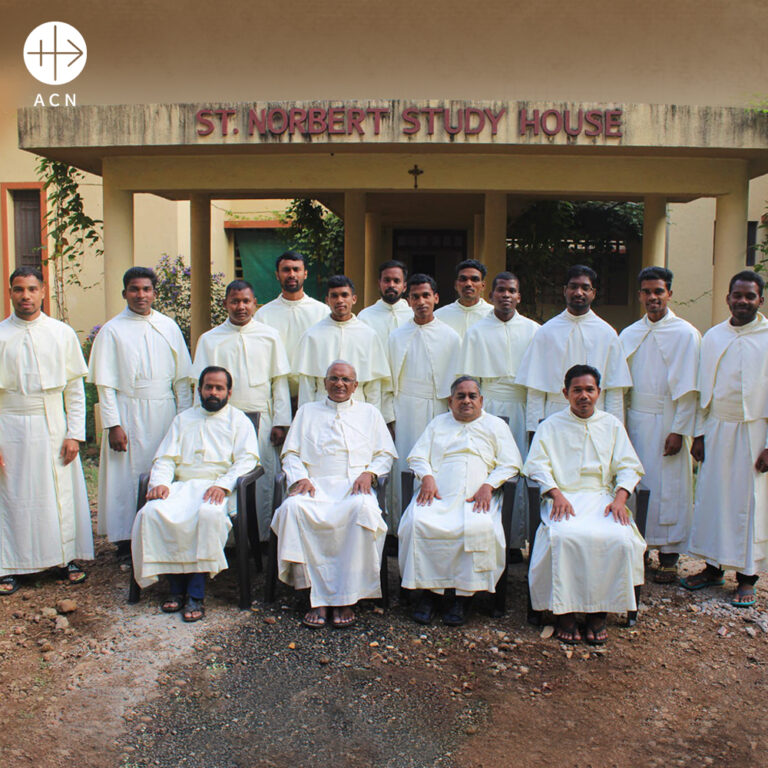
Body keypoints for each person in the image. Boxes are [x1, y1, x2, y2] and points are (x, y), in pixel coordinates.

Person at [525, 365, 645, 644]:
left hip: (602, 498)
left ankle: (598, 613)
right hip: (563, 498)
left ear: (599, 393)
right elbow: (536, 465)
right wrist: (555, 493)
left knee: (618, 537)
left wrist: (620, 498)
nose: (583, 396)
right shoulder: (550, 426)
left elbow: (629, 466)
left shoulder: (612, 425)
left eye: (589, 390)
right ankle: (564, 614)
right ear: (565, 393)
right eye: (577, 390)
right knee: (564, 537)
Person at [271, 361, 396, 628]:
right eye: (334, 379)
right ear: (325, 382)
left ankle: (346, 598)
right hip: (314, 485)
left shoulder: (370, 413)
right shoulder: (307, 412)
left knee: (364, 511)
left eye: (346, 380)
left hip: (354, 486)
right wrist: (300, 477)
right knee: (293, 509)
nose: (340, 384)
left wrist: (370, 473)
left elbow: (385, 453)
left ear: (356, 385)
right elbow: (291, 453)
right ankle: (315, 597)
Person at [131, 366, 260, 622]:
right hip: (181, 487)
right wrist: (160, 482)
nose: (213, 392)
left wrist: (224, 484)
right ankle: (176, 587)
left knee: (207, 515)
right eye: (208, 387)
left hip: (218, 487)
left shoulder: (238, 421)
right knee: (153, 512)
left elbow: (247, 461)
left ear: (229, 392)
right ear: (199, 389)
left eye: (219, 388)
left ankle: (195, 593)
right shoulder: (183, 419)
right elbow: (166, 457)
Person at [398, 376, 522, 626]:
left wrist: (489, 485)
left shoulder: (496, 426)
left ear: (481, 400)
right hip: (438, 492)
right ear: (450, 401)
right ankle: (430, 594)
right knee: (417, 523)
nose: (466, 401)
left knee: (478, 528)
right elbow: (418, 457)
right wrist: (428, 478)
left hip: (477, 495)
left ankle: (463, 597)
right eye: (460, 396)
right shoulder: (437, 424)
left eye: (472, 396)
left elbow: (511, 463)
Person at [88, 266, 192, 560]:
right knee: (126, 477)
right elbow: (106, 386)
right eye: (134, 289)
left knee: (164, 469)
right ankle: (126, 541)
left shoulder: (168, 326)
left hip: (164, 411)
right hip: (128, 410)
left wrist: (182, 421)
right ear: (125, 293)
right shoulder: (112, 330)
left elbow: (182, 381)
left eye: (146, 289)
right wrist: (113, 425)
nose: (141, 295)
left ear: (154, 293)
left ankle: (161, 534)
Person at [0, 267, 93, 595]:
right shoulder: (0, 336)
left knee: (58, 494)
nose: (25, 296)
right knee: (13, 496)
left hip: (53, 424)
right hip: (9, 427)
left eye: (31, 289)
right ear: (10, 292)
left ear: (43, 292)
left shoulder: (61, 333)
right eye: (18, 289)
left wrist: (74, 434)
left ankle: (64, 558)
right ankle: (8, 565)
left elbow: (74, 390)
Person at [682, 270, 768, 608]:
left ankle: (747, 578)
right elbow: (705, 389)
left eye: (750, 296)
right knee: (713, 499)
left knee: (750, 505)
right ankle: (712, 568)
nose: (743, 301)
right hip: (717, 428)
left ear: (760, 299)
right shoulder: (714, 337)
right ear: (727, 298)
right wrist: (700, 434)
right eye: (738, 295)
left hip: (754, 430)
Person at [619, 267, 700, 583]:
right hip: (636, 421)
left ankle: (668, 556)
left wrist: (679, 430)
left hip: (669, 422)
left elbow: (689, 389)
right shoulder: (629, 334)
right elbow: (621, 387)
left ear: (669, 293)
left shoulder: (685, 334)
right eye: (647, 292)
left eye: (659, 291)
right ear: (639, 295)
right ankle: (639, 550)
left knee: (670, 489)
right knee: (637, 485)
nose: (652, 297)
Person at [193, 279, 291, 539]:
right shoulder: (209, 339)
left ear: (255, 304)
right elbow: (200, 386)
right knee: (226, 473)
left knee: (262, 477)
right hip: (222, 420)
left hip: (263, 415)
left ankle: (262, 537)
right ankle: (228, 540)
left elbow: (278, 382)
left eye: (246, 301)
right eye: (235, 301)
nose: (240, 306)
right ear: (225, 303)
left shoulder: (269, 336)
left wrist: (281, 422)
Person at [516, 264, 631, 436]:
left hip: (595, 417)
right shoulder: (546, 332)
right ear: (564, 290)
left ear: (594, 293)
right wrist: (534, 428)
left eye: (585, 288)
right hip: (554, 416)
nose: (579, 292)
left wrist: (616, 429)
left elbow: (614, 389)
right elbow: (536, 389)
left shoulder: (607, 333)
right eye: (573, 287)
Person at [387, 274, 461, 526]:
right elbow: (389, 382)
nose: (421, 301)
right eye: (415, 297)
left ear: (436, 298)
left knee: (437, 466)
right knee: (404, 467)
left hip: (438, 408)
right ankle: (399, 527)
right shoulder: (396, 336)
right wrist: (390, 415)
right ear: (408, 300)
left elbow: (455, 382)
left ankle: (435, 525)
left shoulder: (451, 337)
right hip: (405, 408)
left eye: (426, 295)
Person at [293, 275, 390, 409]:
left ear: (354, 299)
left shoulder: (369, 335)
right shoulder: (312, 335)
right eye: (334, 296)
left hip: (358, 405)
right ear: (327, 300)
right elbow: (307, 386)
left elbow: (373, 387)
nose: (340, 300)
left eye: (344, 295)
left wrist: (373, 418)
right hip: (321, 404)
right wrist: (306, 416)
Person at [254, 251, 329, 397]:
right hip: (277, 393)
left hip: (313, 393)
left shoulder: (322, 312)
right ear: (277, 275)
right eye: (286, 270)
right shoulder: (263, 315)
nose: (292, 274)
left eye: (296, 269)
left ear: (305, 274)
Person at [358, 260, 412, 345]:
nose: (391, 285)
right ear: (379, 284)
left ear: (404, 287)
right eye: (387, 280)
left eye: (396, 281)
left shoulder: (413, 316)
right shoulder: (365, 317)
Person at [434, 259, 493, 338]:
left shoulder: (493, 315)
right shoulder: (439, 316)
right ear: (455, 285)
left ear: (483, 286)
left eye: (474, 279)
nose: (468, 284)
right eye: (463, 279)